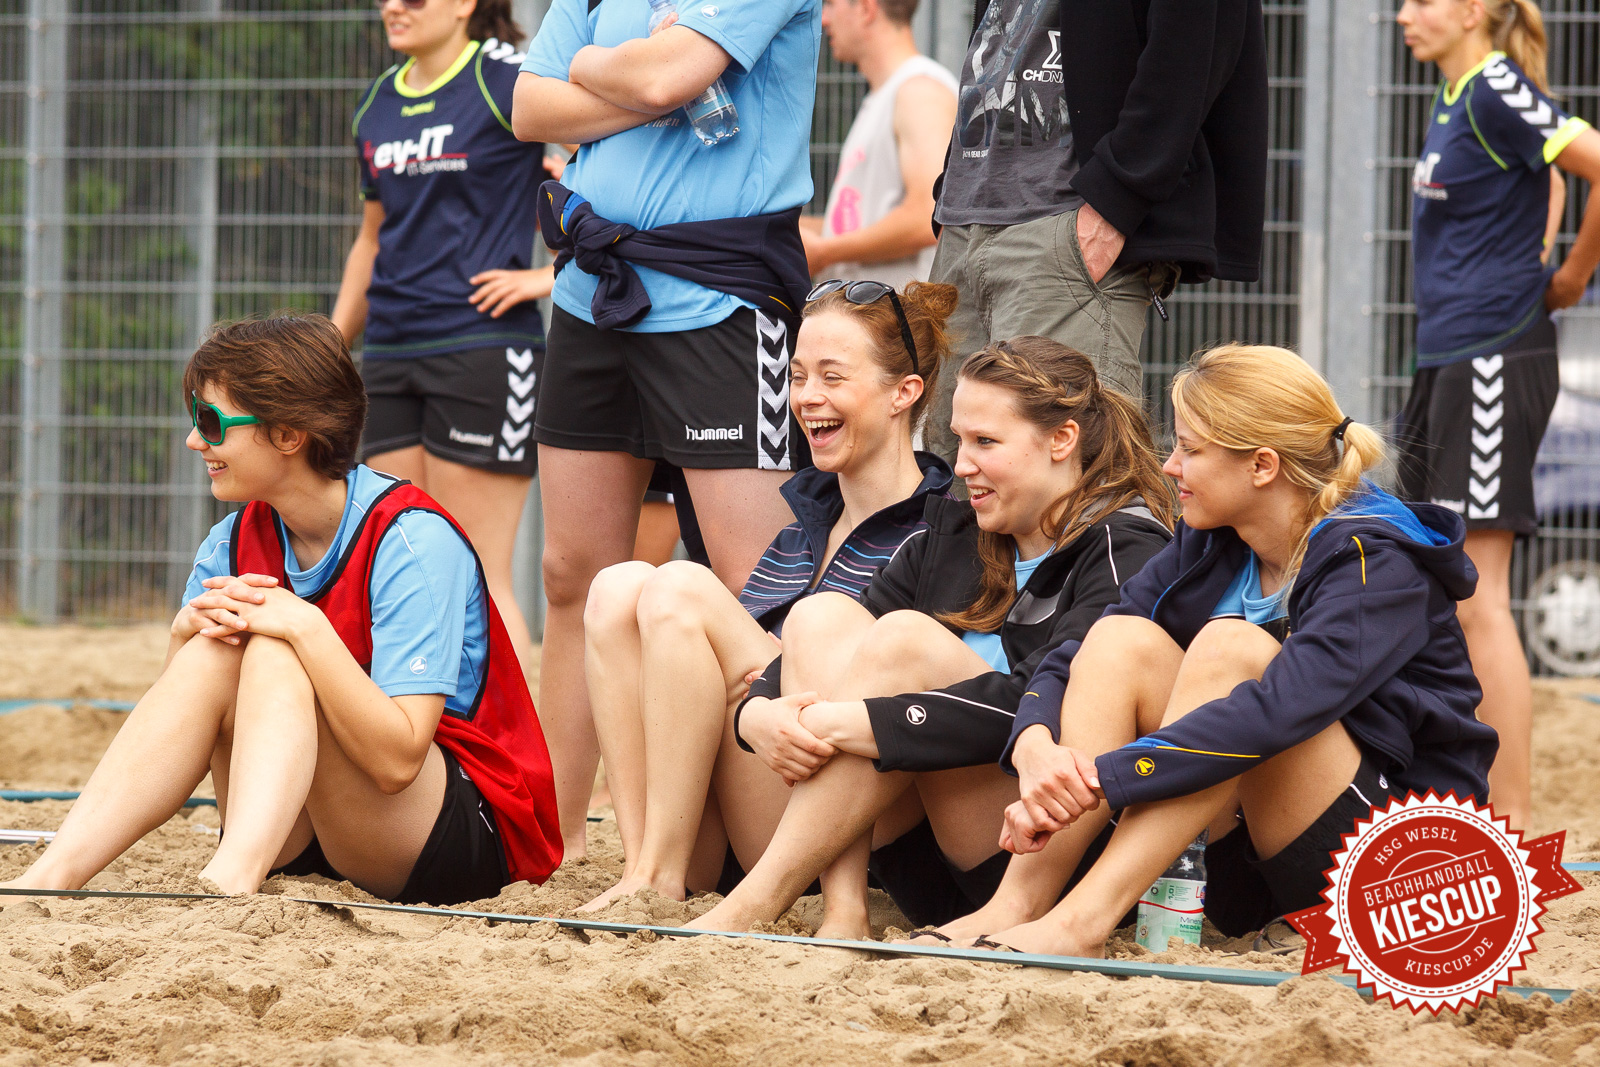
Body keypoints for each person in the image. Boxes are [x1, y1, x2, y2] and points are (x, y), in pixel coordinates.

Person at [937, 344, 1497, 957]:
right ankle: (1015, 905)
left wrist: (1104, 778)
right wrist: (1037, 744)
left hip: (1396, 875)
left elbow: (1278, 712)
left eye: (1189, 449)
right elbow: (1084, 644)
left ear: (1261, 465)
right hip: (1252, 870)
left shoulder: (1376, 561)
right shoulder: (1212, 539)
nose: (1169, 466)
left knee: (1230, 649)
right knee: (1120, 641)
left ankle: (1081, 923)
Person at [2, 315, 562, 904]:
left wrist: (305, 626)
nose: (194, 440)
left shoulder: (410, 538)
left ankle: (230, 880)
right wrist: (181, 639)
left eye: (210, 421)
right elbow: (184, 738)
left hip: (460, 831)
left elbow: (398, 761)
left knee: (272, 643)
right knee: (219, 644)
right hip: (305, 829)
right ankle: (49, 877)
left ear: (289, 435)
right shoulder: (229, 541)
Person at [688, 337, 1173, 937]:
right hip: (920, 864)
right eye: (958, 440)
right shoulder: (951, 535)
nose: (962, 465)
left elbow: (1058, 701)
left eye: (986, 442)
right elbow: (820, 654)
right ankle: (844, 909)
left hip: (1038, 852)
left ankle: (759, 898)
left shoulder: (1125, 547)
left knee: (905, 640)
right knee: (821, 616)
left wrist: (864, 721)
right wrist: (757, 714)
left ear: (1061, 440)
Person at [514, 0, 822, 858]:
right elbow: (530, 108)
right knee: (571, 575)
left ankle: (779, 846)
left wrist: (591, 68)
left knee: (756, 583)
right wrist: (640, 79)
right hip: (591, 293)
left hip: (723, 296)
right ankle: (556, 843)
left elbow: (663, 78)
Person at [578, 280, 956, 924]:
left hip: (840, 820)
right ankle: (647, 868)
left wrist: (764, 699)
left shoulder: (943, 529)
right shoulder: (801, 527)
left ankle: (660, 874)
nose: (807, 396)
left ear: (904, 393)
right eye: (798, 375)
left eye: (833, 376)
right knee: (617, 589)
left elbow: (930, 703)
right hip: (757, 780)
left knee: (682, 587)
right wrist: (757, 708)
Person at [1395, 0, 1600, 831]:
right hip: (1447, 357)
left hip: (1493, 357)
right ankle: (1468, 799)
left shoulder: (1496, 86)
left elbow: (1592, 162)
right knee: (1443, 588)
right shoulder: (1458, 93)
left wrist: (1569, 275)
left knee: (1480, 594)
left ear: (1474, 11)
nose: (1404, 15)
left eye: (1422, 1)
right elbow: (1546, 177)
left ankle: (1508, 821)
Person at [922, 0, 1269, 463]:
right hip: (966, 218)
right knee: (950, 468)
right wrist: (951, 191)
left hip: (1065, 221)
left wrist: (1116, 199)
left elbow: (1194, 41)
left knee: (1063, 480)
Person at [332, 0, 552, 703]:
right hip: (390, 350)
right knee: (409, 562)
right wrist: (330, 348)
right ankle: (427, 742)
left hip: (483, 346)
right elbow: (372, 238)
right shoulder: (376, 101)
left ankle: (516, 750)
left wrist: (552, 274)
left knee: (478, 570)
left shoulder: (506, 77)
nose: (395, 6)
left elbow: (604, 165)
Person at [801, 0, 957, 287]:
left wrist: (824, 252)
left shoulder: (920, 91)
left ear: (865, 8)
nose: (823, 19)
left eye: (831, 4)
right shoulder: (888, 94)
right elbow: (865, 222)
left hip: (900, 312)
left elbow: (930, 216)